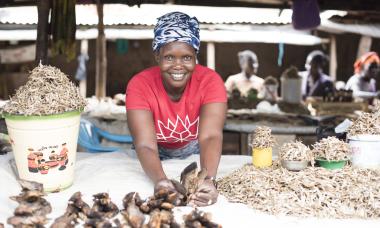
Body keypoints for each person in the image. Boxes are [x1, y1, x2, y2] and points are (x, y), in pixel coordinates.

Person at [125, 12, 227, 207]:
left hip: (193, 151)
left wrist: (208, 179)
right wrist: (160, 181)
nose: (178, 66)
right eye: (169, 57)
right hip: (152, 154)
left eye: (187, 57)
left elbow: (210, 136)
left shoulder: (210, 82)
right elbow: (145, 145)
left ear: (196, 57)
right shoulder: (140, 85)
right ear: (157, 56)